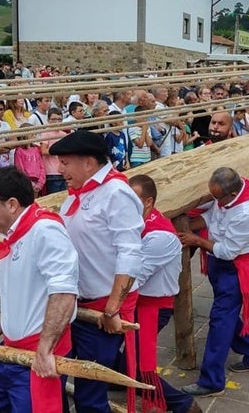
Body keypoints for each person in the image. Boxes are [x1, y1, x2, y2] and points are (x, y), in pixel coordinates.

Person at [0, 166, 78, 412]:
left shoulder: (45, 231)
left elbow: (64, 294)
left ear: (12, 204)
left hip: (35, 356)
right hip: (9, 351)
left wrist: (44, 351)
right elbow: (18, 301)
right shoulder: (13, 235)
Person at [49, 131, 143, 412]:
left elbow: (130, 251)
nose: (59, 170)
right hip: (76, 306)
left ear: (89, 163)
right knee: (57, 376)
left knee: (91, 391)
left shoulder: (116, 193)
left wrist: (113, 307)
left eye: (65, 163)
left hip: (103, 309)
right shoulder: (76, 195)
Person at [178, 167, 249, 397]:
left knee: (220, 321)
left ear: (231, 193)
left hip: (235, 268)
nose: (214, 200)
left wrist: (195, 239)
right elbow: (210, 217)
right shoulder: (226, 197)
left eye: (217, 197)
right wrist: (182, 228)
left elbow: (228, 251)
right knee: (226, 317)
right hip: (220, 264)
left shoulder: (246, 211)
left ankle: (212, 381)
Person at [128, 175, 200, 413]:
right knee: (121, 357)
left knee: (141, 365)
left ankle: (183, 404)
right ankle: (133, 384)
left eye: (132, 199)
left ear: (148, 202)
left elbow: (132, 278)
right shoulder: (137, 223)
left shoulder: (159, 236)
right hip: (136, 302)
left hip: (151, 307)